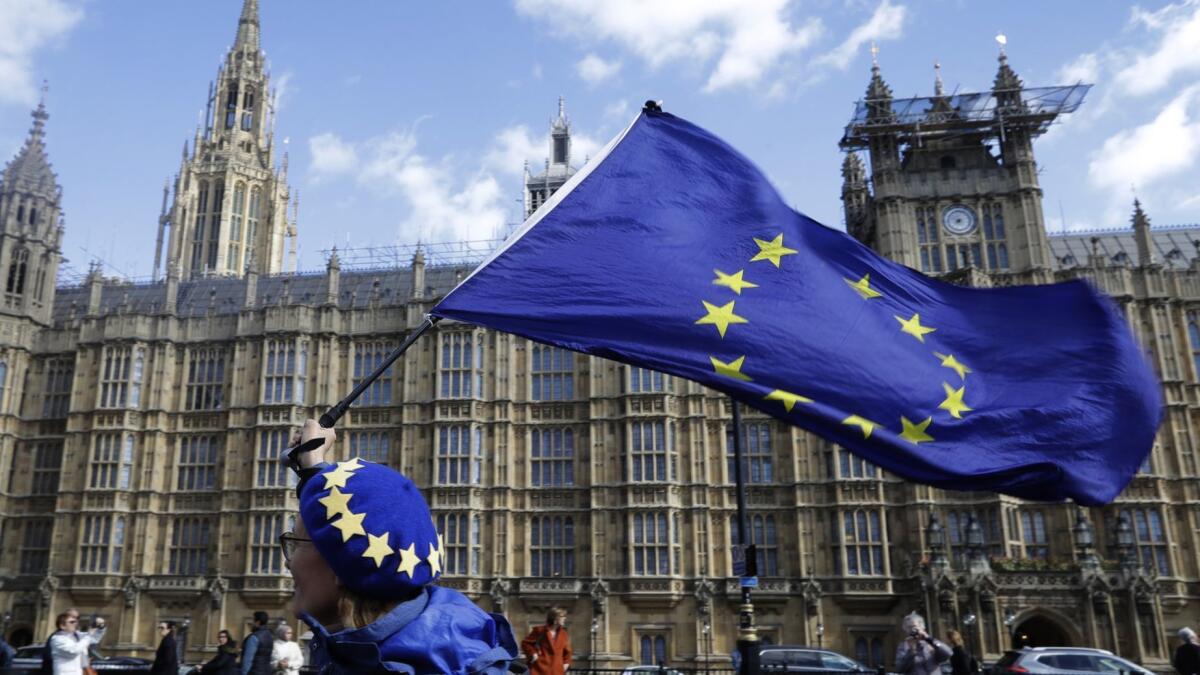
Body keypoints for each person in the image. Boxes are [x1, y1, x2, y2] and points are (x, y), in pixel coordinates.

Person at [285, 419, 517, 674]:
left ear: (342, 563)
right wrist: (314, 468)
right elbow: (360, 516)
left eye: (296, 544)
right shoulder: (445, 655)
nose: (288, 561)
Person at [48, 610, 105, 675]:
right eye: (72, 622)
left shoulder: (76, 635)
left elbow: (94, 639)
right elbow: (74, 650)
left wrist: (100, 627)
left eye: (75, 621)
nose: (75, 623)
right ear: (62, 626)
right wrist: (89, 635)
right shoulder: (57, 639)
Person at [521, 608, 573, 675]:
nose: (564, 618)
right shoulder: (539, 630)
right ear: (555, 618)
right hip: (540, 668)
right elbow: (525, 643)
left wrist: (566, 664)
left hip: (557, 670)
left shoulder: (563, 634)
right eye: (562, 616)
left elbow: (568, 652)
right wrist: (533, 654)